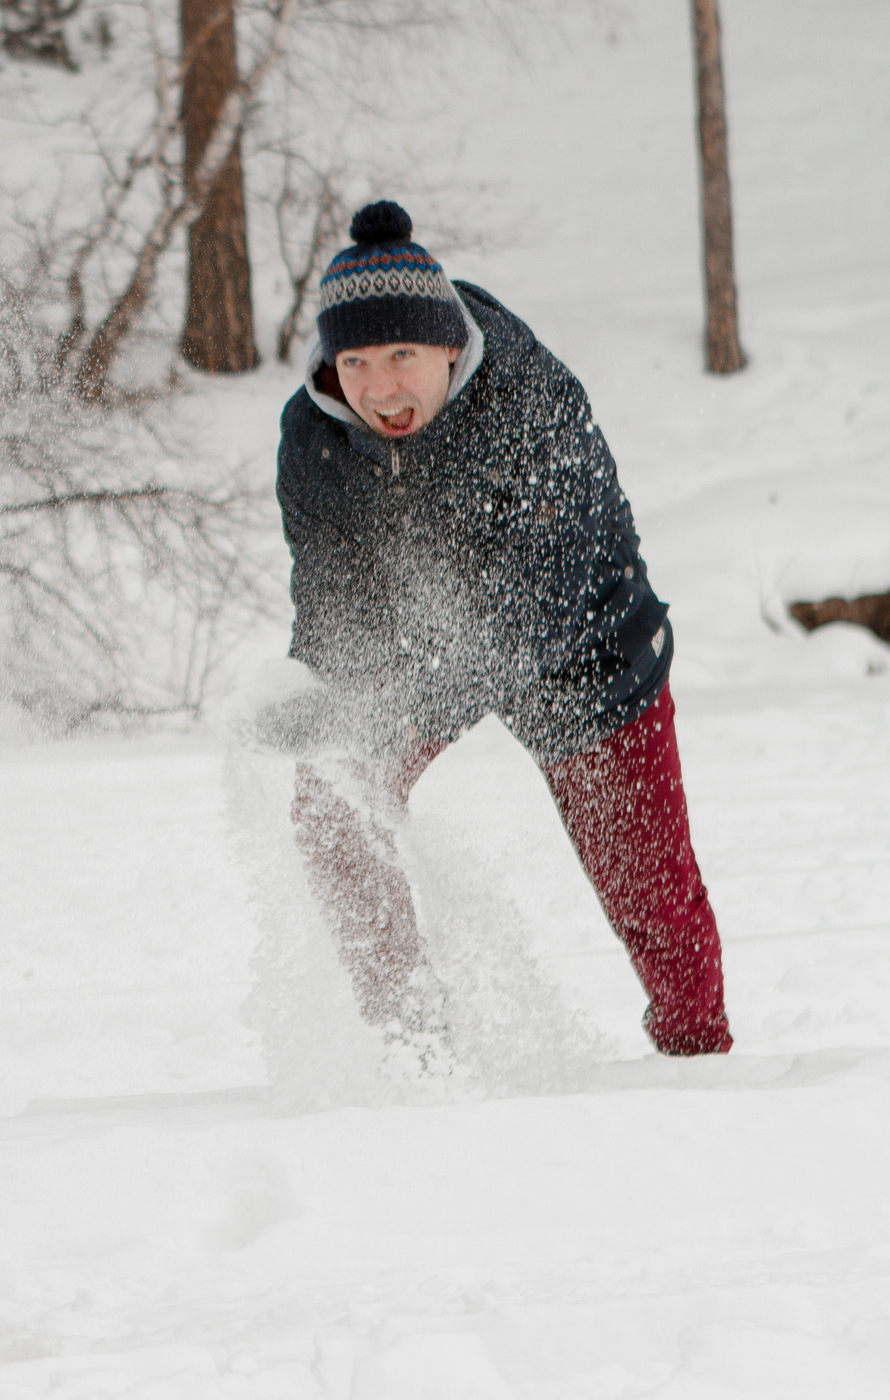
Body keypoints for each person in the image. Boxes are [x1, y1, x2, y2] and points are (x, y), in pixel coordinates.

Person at [263, 201, 732, 1060]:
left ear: (447, 345)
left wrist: (413, 706)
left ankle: (699, 1058)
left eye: (402, 354)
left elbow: (535, 603)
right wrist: (320, 698)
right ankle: (414, 1051)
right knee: (333, 796)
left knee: (647, 888)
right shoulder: (314, 435)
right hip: (420, 647)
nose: (380, 387)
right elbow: (331, 593)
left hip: (584, 640)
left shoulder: (526, 397)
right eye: (357, 360)